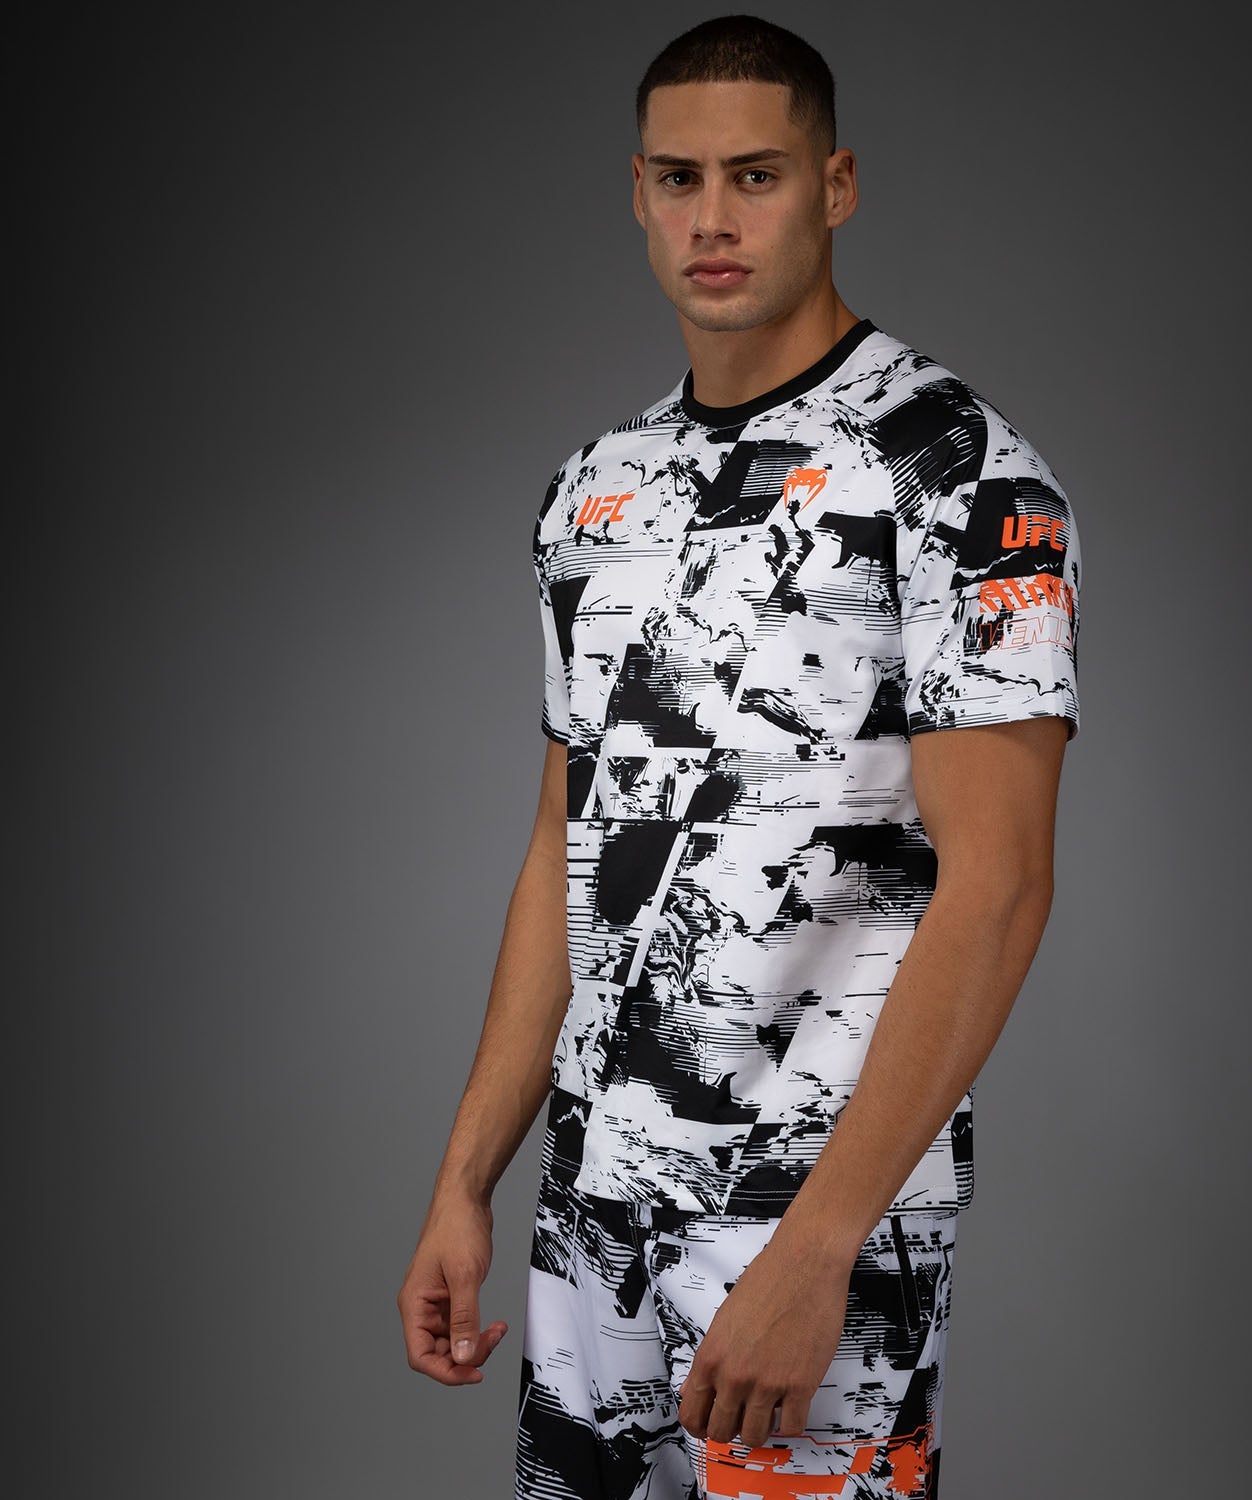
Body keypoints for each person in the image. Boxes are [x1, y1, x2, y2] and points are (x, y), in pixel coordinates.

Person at [397, 14, 1081, 1498]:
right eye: (680, 178)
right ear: (638, 195)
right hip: (594, 1208)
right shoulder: (596, 488)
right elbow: (568, 845)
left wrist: (825, 1245)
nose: (713, 218)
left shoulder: (955, 472)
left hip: (811, 1215)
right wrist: (467, 1180)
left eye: (756, 176)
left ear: (835, 185)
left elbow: (1002, 884)